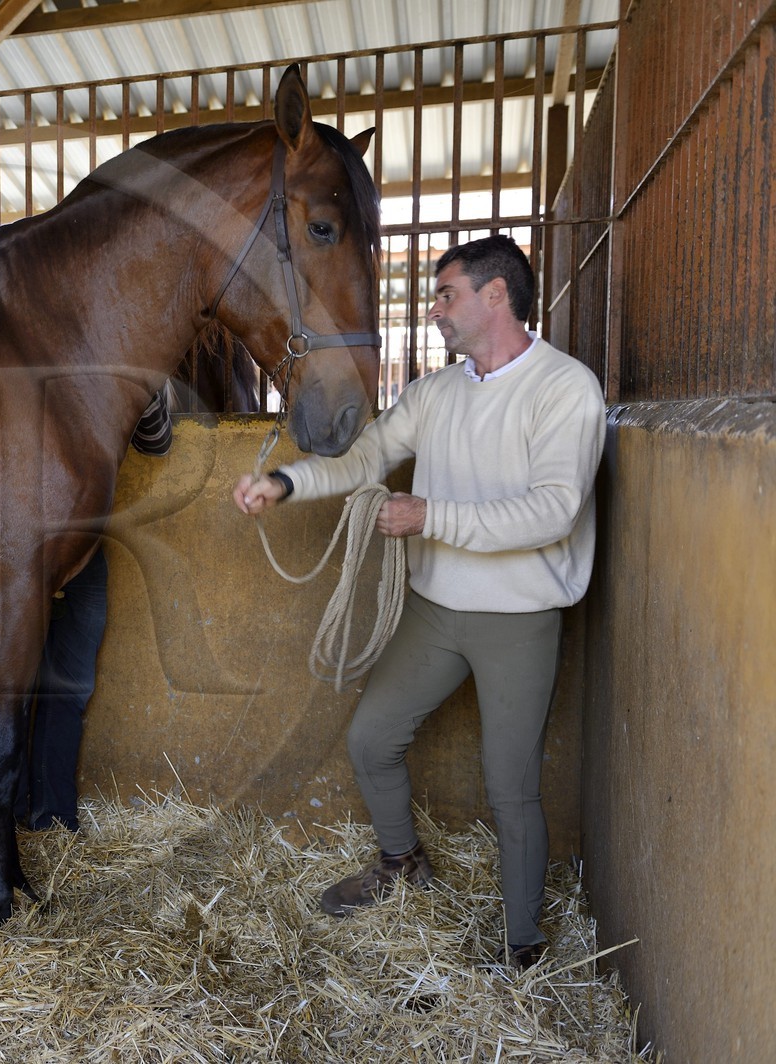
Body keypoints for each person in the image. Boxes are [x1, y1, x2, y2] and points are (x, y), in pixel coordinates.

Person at [231, 235, 604, 969]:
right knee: (373, 739)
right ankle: (402, 863)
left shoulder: (566, 389)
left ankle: (521, 945)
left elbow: (553, 511)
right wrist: (286, 484)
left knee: (511, 788)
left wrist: (430, 516)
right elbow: (369, 455)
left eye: (446, 294)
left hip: (518, 618)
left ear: (496, 295)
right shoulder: (437, 392)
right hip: (437, 610)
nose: (434, 311)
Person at [17, 382, 174, 832]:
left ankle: (14, 813)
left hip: (18, 538)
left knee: (14, 684)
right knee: (65, 687)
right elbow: (158, 441)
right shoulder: (111, 356)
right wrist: (149, 378)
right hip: (77, 540)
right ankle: (53, 817)